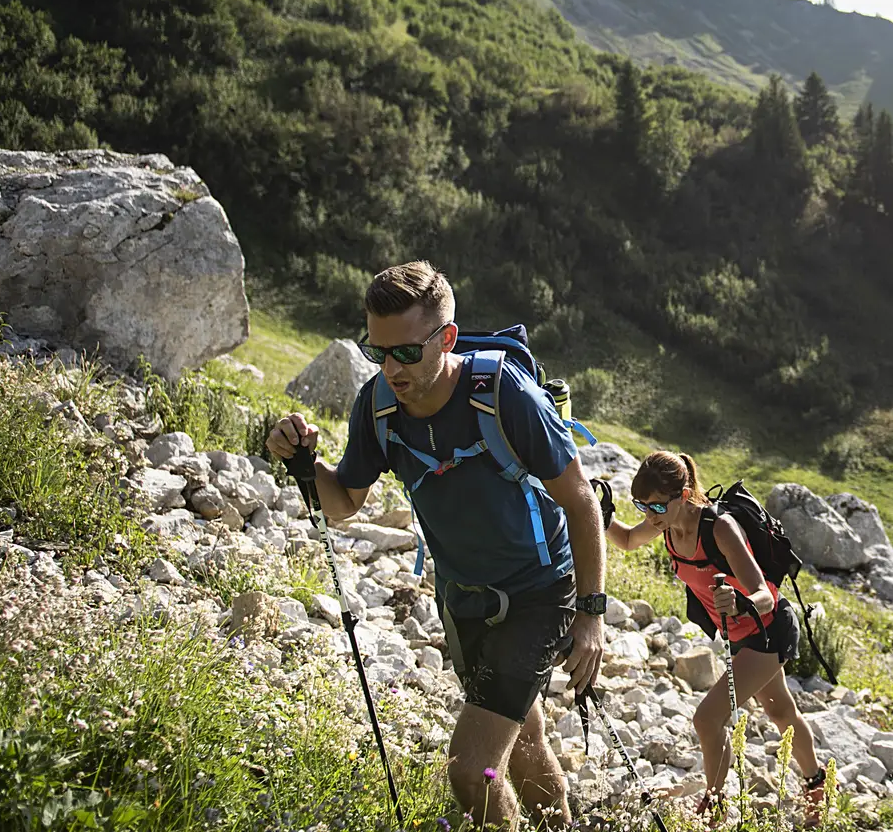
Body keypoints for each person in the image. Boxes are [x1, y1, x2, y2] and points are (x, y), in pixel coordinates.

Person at [266, 261, 607, 830]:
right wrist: (303, 464)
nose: (390, 369)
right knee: (521, 737)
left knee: (470, 770)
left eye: (405, 352)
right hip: (463, 598)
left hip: (539, 594)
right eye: (378, 352)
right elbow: (343, 503)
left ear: (446, 338)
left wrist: (592, 616)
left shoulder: (504, 396)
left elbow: (581, 502)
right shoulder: (377, 408)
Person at [607, 451, 826, 823]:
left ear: (685, 495)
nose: (649, 516)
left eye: (657, 506)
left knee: (708, 719)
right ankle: (817, 788)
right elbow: (627, 540)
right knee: (780, 711)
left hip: (767, 629)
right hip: (739, 634)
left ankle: (715, 807)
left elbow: (763, 592)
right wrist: (601, 514)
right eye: (642, 506)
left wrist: (741, 602)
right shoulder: (666, 525)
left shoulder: (720, 528)